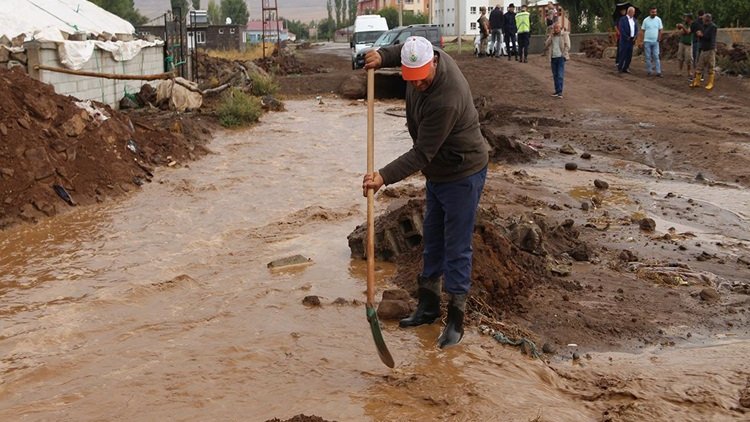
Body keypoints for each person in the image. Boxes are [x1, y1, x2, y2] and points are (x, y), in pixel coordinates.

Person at [361, 37, 490, 349]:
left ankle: (456, 320)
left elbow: (421, 154)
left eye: (421, 81)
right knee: (432, 239)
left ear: (432, 63)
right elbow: (405, 46)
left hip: (463, 172)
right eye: (411, 81)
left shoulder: (446, 97)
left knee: (456, 247)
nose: (416, 86)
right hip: (439, 174)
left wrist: (383, 177)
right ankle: (429, 307)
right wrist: (381, 55)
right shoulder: (421, 57)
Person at [544, 22, 570, 98]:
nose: (556, 29)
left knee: (560, 75)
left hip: (560, 58)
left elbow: (568, 46)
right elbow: (546, 44)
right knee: (555, 75)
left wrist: (564, 54)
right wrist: (550, 36)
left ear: (560, 28)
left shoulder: (564, 35)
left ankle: (560, 92)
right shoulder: (552, 36)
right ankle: (557, 91)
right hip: (553, 57)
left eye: (557, 28)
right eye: (554, 28)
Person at [692, 13, 718, 90]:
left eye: (703, 19)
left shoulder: (713, 27)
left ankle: (710, 83)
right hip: (703, 48)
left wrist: (701, 35)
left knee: (710, 66)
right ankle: (697, 81)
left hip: (710, 49)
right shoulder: (704, 26)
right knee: (700, 65)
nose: (702, 20)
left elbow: (710, 38)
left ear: (707, 19)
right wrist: (699, 35)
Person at [641, 6, 664, 77]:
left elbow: (660, 30)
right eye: (653, 12)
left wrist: (659, 38)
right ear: (650, 12)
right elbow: (643, 30)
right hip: (647, 41)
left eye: (655, 12)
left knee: (656, 56)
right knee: (648, 57)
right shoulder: (645, 20)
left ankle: (658, 72)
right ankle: (649, 71)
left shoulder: (658, 20)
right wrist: (642, 40)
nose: (654, 13)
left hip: (655, 41)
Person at [617, 6, 638, 74]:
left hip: (632, 40)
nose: (634, 13)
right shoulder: (623, 19)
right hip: (624, 40)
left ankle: (626, 67)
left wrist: (635, 36)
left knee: (629, 55)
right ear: (629, 12)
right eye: (633, 12)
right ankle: (620, 67)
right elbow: (621, 29)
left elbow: (636, 29)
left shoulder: (634, 20)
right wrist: (626, 37)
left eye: (634, 12)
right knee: (623, 54)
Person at [676, 13, 694, 77]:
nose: (684, 19)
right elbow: (680, 32)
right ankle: (680, 71)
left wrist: (682, 27)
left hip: (689, 44)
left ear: (689, 18)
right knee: (680, 57)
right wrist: (679, 27)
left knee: (688, 58)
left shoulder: (692, 25)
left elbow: (688, 32)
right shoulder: (684, 24)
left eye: (686, 17)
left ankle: (689, 71)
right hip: (682, 42)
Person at [691, 10, 705, 75]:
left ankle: (696, 74)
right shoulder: (705, 23)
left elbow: (691, 31)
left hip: (696, 42)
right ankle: (701, 74)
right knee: (702, 59)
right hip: (702, 42)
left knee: (696, 58)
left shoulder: (694, 22)